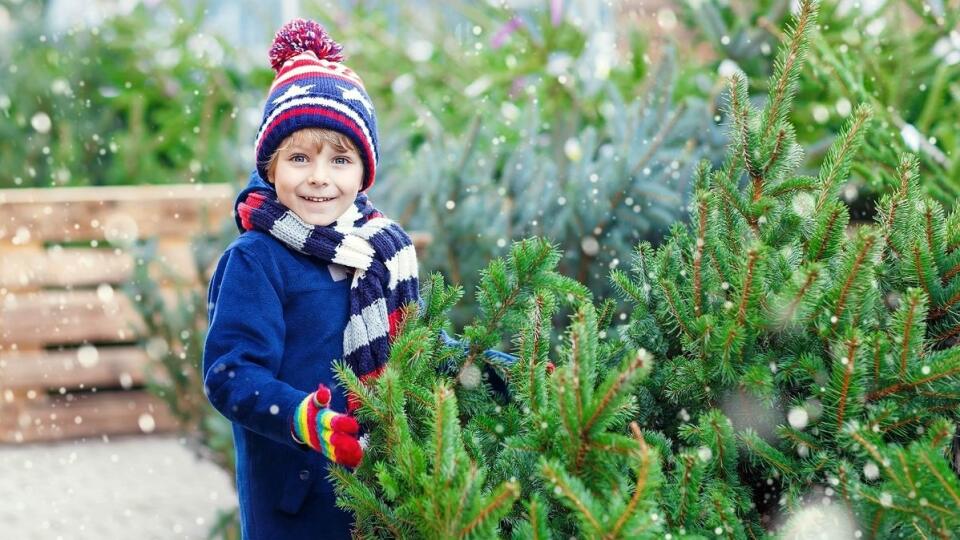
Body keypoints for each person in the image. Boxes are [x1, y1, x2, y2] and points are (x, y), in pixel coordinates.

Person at [202, 18, 419, 539]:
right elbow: (230, 374)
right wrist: (300, 418)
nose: (320, 176)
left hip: (379, 493)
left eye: (340, 159)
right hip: (296, 502)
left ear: (363, 173)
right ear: (271, 168)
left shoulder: (378, 252)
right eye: (299, 157)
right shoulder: (256, 261)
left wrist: (496, 365)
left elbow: (417, 348)